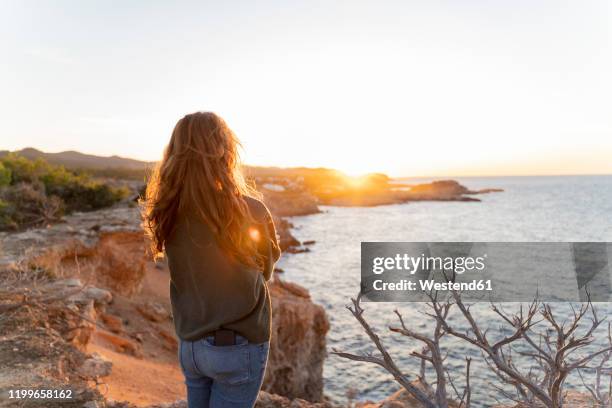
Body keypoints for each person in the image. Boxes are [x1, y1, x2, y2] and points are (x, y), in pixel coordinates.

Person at [143, 112, 281, 408]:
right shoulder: (251, 210)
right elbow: (266, 269)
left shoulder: (168, 211)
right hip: (237, 347)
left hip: (191, 346)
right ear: (226, 151)